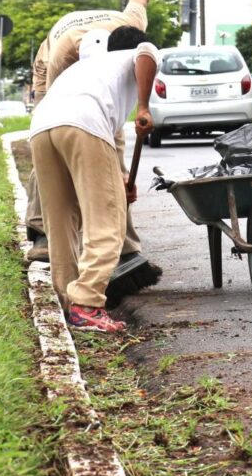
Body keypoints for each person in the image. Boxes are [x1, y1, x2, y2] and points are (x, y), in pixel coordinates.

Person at [29, 25, 159, 332]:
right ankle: (87, 302)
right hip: (83, 123)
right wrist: (144, 106)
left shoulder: (89, 69)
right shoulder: (134, 55)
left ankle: (68, 300)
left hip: (42, 128)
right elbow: (147, 52)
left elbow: (105, 146)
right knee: (108, 220)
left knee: (60, 221)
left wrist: (119, 181)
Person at [25, 0, 150, 262]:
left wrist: (119, 174)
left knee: (111, 149)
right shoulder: (67, 52)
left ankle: (124, 244)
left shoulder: (133, 24)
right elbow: (64, 119)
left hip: (95, 36)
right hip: (51, 68)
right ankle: (41, 229)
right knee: (51, 141)